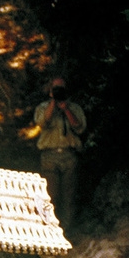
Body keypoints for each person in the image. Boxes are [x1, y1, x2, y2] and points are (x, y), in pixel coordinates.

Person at [32, 77, 86, 227]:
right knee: (50, 195)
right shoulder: (43, 107)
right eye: (55, 88)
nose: (58, 91)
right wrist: (53, 103)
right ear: (50, 91)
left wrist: (66, 109)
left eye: (61, 88)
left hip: (69, 155)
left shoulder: (74, 108)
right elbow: (43, 122)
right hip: (49, 156)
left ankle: (68, 230)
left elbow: (79, 127)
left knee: (69, 195)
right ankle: (50, 228)